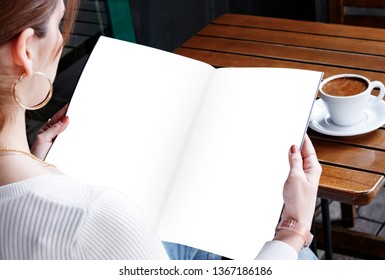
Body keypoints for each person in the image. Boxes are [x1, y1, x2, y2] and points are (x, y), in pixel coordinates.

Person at [0, 0, 322, 260]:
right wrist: (292, 229)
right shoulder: (94, 214)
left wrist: (34, 162)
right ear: (26, 50)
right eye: (59, 25)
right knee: (297, 256)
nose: (60, 39)